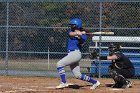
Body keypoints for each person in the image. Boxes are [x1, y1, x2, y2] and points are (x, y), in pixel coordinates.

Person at [56, 18, 100, 89]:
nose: (71, 26)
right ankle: (95, 82)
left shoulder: (84, 35)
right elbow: (70, 34)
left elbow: (82, 43)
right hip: (71, 54)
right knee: (78, 75)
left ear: (77, 25)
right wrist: (77, 33)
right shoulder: (71, 31)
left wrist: (80, 36)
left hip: (76, 54)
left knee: (59, 64)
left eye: (72, 25)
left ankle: (63, 82)